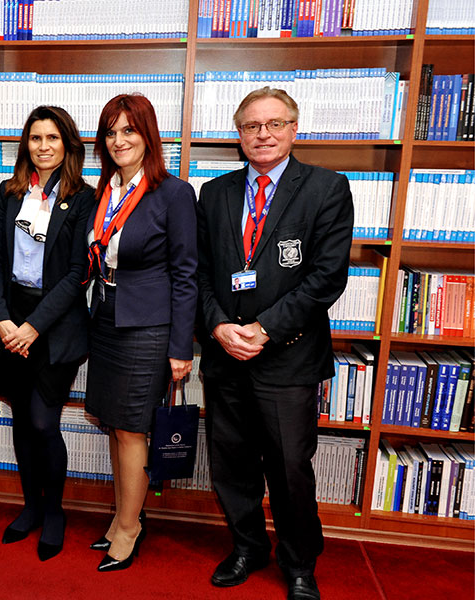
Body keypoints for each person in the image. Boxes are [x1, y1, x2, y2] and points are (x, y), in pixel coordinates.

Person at [196, 87, 353, 600]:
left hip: (288, 356)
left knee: (289, 470)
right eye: (251, 126)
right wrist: (219, 327)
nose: (263, 134)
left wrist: (264, 330)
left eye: (274, 124)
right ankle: (248, 547)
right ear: (238, 134)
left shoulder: (327, 188)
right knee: (231, 466)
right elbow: (199, 274)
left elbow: (326, 278)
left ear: (293, 129)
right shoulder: (214, 193)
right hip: (226, 354)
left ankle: (299, 562)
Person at [85, 94, 198, 572]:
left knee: (132, 429)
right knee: (114, 424)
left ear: (148, 135)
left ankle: (130, 528)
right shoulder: (104, 191)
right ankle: (121, 517)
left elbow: (186, 274)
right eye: (111, 132)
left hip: (148, 326)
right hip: (107, 316)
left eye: (129, 130)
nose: (119, 141)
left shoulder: (173, 194)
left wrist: (180, 347)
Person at [0, 106, 93, 561]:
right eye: (35, 138)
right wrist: (1, 318)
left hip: (55, 324)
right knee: (21, 420)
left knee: (44, 421)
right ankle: (30, 506)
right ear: (25, 145)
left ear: (67, 145)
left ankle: (54, 512)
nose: (43, 146)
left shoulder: (84, 198)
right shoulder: (10, 193)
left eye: (52, 138)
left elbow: (77, 273)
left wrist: (33, 326)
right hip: (10, 321)